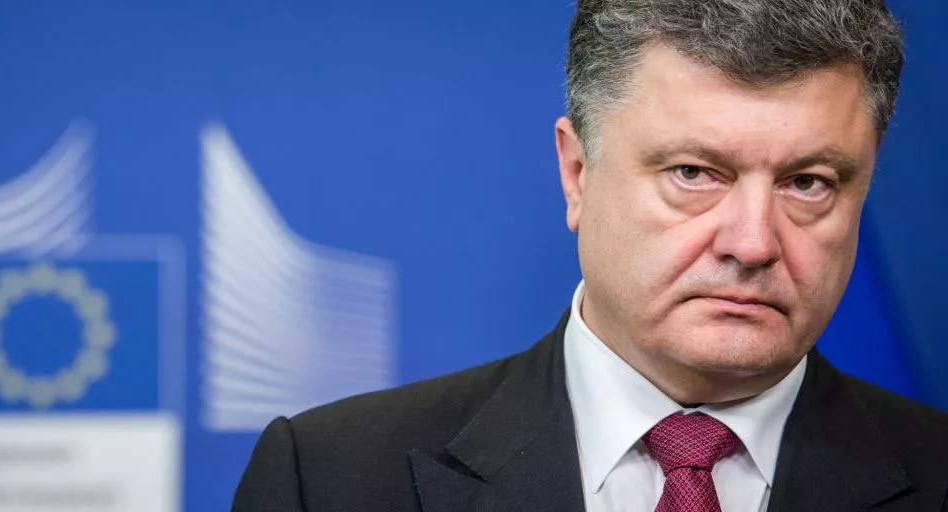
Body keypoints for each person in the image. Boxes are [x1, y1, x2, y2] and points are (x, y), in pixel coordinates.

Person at [232, 1, 948, 510]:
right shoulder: (328, 479)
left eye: (808, 183)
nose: (753, 243)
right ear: (577, 173)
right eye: (694, 173)